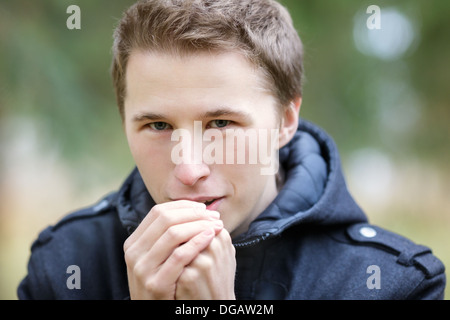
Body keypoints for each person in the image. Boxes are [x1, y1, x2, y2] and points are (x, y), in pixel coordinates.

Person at [18, 0, 445, 300]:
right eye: (158, 125)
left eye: (221, 123)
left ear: (285, 122)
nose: (189, 169)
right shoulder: (63, 265)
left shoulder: (393, 284)